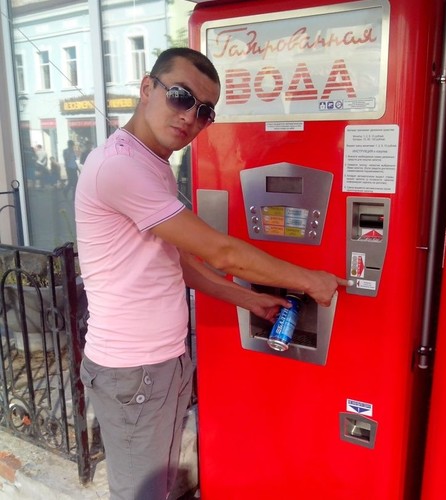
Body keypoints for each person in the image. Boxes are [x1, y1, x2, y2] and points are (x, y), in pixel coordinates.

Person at [75, 47, 350, 500]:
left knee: (159, 487)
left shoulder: (152, 165)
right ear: (147, 88)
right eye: (181, 97)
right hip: (133, 372)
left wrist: (248, 299)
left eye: (205, 111)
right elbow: (222, 252)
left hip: (161, 363)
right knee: (140, 494)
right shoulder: (120, 167)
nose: (190, 117)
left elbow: (177, 263)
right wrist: (310, 280)